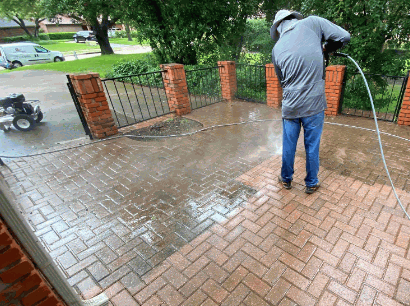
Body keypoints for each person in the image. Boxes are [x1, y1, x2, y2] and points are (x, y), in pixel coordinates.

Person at [271, 10, 350, 194]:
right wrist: (325, 49)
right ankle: (311, 182)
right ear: (293, 19)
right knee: (312, 145)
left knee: (289, 145)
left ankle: (286, 179)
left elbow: (281, 80)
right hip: (313, 104)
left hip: (290, 105)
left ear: (279, 27)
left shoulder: (276, 49)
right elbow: (344, 37)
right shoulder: (313, 23)